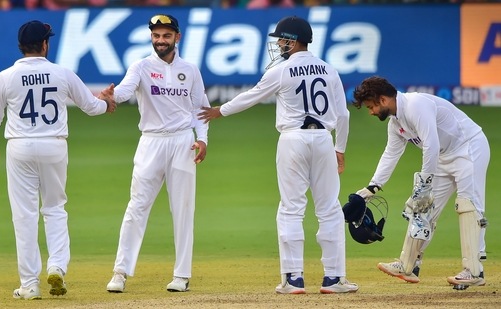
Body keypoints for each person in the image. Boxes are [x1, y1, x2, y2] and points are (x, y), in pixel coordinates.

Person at [198, 16, 358, 294]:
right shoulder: (329, 70)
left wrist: (219, 111)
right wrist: (339, 149)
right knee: (329, 209)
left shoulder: (282, 71)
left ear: (293, 41)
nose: (279, 45)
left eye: (281, 40)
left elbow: (251, 96)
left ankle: (293, 278)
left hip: (292, 139)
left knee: (291, 208)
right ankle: (334, 278)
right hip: (323, 139)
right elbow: (343, 114)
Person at [0, 20, 116, 300]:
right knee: (55, 208)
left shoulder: (5, 77)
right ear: (44, 44)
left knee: (24, 215)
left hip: (19, 147)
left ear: (21, 46)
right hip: (54, 145)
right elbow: (91, 108)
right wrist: (106, 102)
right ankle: (57, 266)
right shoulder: (61, 73)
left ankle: (30, 284)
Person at [351, 76, 489, 289]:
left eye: (371, 107)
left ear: (383, 100)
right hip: (443, 157)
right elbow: (391, 154)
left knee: (467, 205)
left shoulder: (416, 105)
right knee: (423, 209)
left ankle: (473, 270)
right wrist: (373, 186)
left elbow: (431, 144)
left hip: (468, 148)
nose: (371, 112)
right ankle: (408, 265)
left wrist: (424, 184)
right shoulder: (395, 123)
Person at [105, 14, 210, 293]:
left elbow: (201, 109)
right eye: (155, 36)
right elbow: (125, 91)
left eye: (165, 36)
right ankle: (120, 272)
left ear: (177, 37)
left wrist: (203, 140)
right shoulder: (141, 67)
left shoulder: (190, 69)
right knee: (136, 207)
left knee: (183, 209)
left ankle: (181, 275)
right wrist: (111, 96)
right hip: (150, 142)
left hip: (182, 142)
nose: (160, 41)